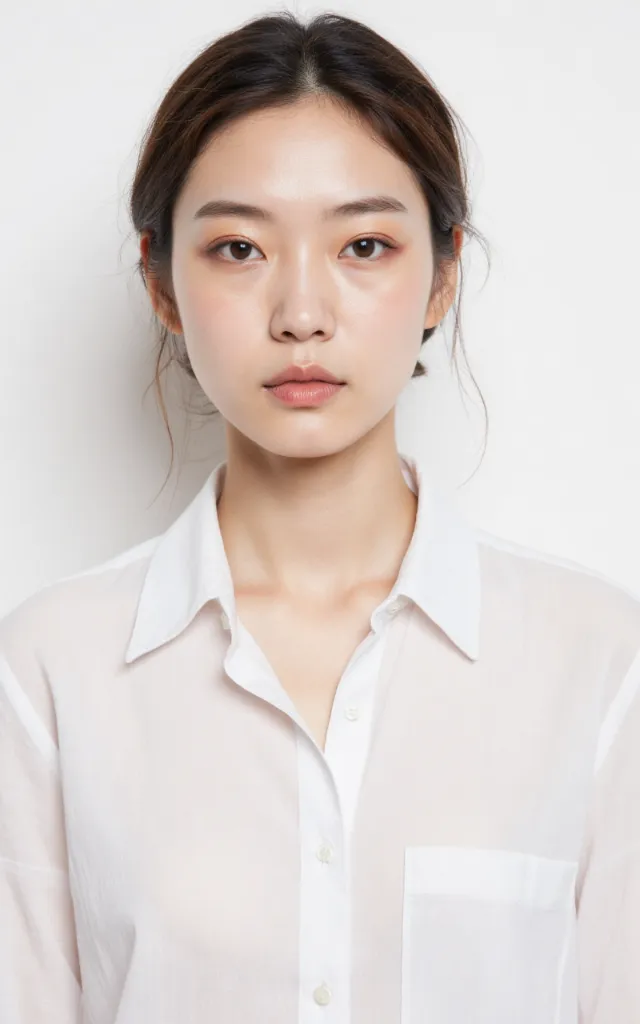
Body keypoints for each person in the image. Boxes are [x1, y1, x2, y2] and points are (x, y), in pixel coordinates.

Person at [1, 10, 638, 1024]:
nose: (302, 310)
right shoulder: (49, 672)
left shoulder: (598, 663)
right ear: (160, 281)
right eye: (240, 247)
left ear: (441, 273)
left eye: (365, 243)